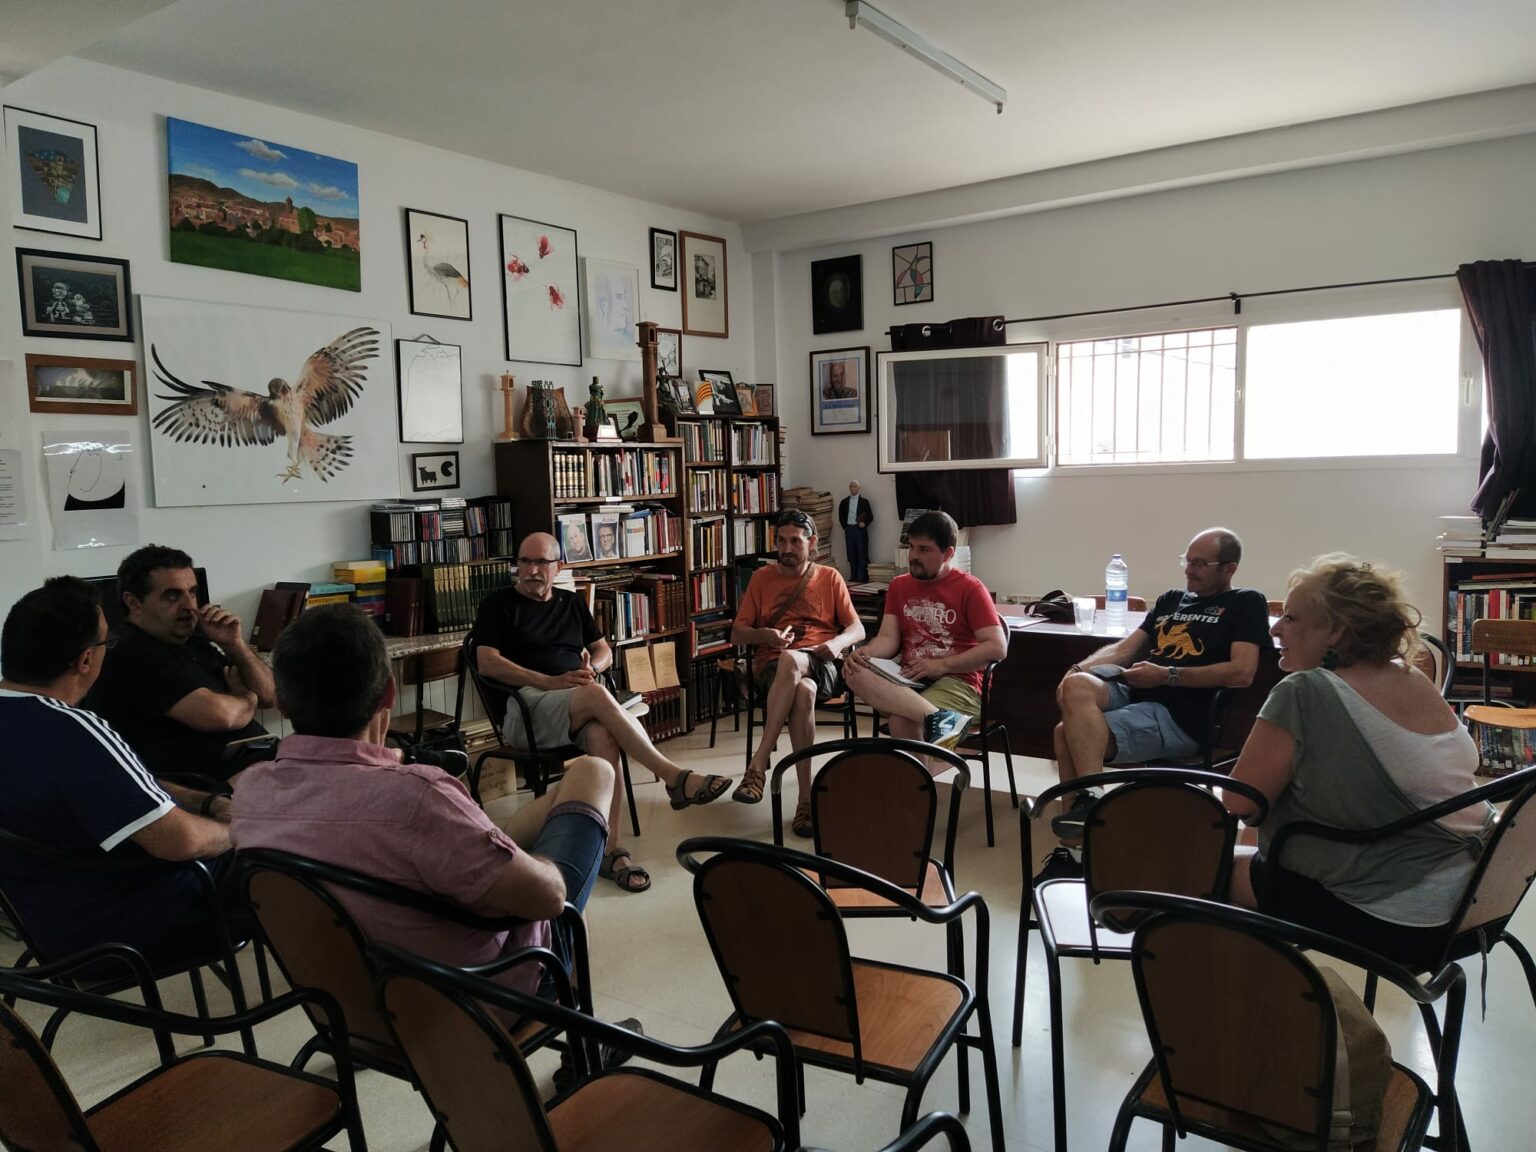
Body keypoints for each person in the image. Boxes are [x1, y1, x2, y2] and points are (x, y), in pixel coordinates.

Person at [231, 604, 620, 1013]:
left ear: (282, 702)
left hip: (349, 1006)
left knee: (558, 800)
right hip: (478, 998)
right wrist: (542, 864)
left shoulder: (251, 791)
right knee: (593, 773)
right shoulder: (418, 796)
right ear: (389, 694)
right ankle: (583, 1033)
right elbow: (549, 900)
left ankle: (505, 859)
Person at [1223, 556, 1493, 969]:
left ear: (1336, 631)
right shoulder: (1410, 676)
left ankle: (1241, 998)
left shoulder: (1303, 690)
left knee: (1199, 861)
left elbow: (1240, 802)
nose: (1275, 629)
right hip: (1470, 904)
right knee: (1256, 836)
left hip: (1395, 919)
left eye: (1290, 617)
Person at [474, 533, 731, 893]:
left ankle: (611, 851)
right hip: (526, 709)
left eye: (541, 562)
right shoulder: (498, 605)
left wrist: (592, 667)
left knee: (604, 735)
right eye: (525, 561)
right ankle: (674, 777)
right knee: (596, 696)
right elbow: (486, 663)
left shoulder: (570, 603)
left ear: (558, 567)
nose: (531, 570)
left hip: (574, 702)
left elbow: (603, 650)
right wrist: (549, 682)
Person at [0, 577, 237, 967]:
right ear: (86, 660)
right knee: (281, 860)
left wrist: (207, 802)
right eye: (107, 643)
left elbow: (121, 784)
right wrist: (242, 828)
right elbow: (181, 842)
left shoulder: (24, 722)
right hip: (124, 933)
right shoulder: (74, 729)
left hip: (48, 928)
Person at [1039, 527, 1269, 880]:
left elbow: (1242, 672)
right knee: (1077, 685)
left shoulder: (1246, 602)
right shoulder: (1171, 599)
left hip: (1180, 716)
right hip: (1137, 690)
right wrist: (1076, 670)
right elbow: (1124, 650)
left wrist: (1168, 675)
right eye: (1187, 560)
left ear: (1229, 568)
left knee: (1063, 733)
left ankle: (1077, 852)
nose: (1189, 569)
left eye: (1200, 564)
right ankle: (1091, 800)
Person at [85, 545, 276, 781]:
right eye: (173, 596)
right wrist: (247, 697)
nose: (190, 606)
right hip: (204, 789)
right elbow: (221, 716)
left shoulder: (193, 642)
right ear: (134, 602)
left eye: (192, 592)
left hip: (258, 770)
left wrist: (235, 644)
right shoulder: (130, 653)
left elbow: (270, 695)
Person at [730, 510, 865, 835]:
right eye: (781, 541)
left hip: (823, 662)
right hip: (773, 667)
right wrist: (764, 636)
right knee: (803, 690)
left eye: (795, 541)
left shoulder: (829, 577)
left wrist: (837, 643)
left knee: (792, 661)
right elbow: (737, 633)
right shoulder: (761, 578)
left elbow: (857, 628)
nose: (787, 548)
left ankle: (758, 764)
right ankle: (806, 801)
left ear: (812, 542)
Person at [843, 510, 1007, 761]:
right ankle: (943, 721)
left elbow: (997, 647)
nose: (914, 556)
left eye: (924, 549)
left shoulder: (971, 588)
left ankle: (919, 784)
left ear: (948, 553)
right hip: (909, 677)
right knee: (853, 671)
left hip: (959, 681)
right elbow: (888, 639)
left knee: (902, 719)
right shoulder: (899, 585)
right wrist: (867, 653)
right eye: (911, 547)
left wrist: (939, 666)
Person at [838, 480, 874, 583]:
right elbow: (841, 515)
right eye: (851, 486)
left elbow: (870, 516)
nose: (853, 488)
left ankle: (862, 576)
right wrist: (845, 527)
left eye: (855, 486)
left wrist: (864, 523)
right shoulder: (844, 502)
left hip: (859, 530)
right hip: (849, 529)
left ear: (859, 488)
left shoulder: (864, 502)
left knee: (861, 552)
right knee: (851, 553)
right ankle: (853, 575)